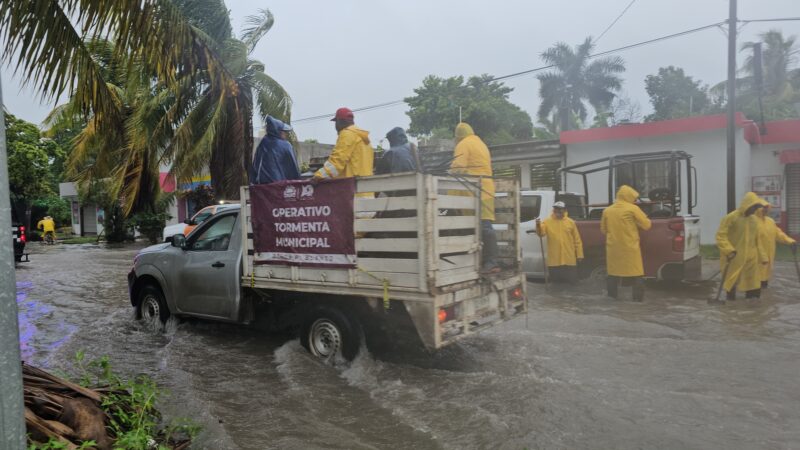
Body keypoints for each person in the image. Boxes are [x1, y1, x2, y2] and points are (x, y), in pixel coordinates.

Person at [450, 122, 498, 273]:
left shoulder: (463, 144)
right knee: (482, 226)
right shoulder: (480, 143)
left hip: (477, 191)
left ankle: (491, 262)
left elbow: (459, 167)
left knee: (484, 227)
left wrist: (448, 173)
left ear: (458, 136)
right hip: (486, 189)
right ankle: (484, 261)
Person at [601, 185, 652, 301]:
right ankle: (637, 301)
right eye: (633, 197)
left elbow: (603, 230)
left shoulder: (607, 210)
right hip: (630, 248)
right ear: (628, 196)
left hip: (613, 248)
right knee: (637, 274)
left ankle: (611, 299)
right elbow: (647, 225)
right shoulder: (633, 209)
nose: (634, 200)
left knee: (612, 274)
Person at [716, 192, 768, 300]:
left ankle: (752, 310)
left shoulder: (754, 220)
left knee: (753, 285)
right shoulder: (731, 218)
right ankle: (731, 307)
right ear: (747, 205)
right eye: (754, 207)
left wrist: (763, 257)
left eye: (756, 208)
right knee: (731, 283)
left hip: (751, 258)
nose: (755, 210)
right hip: (734, 257)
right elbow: (721, 236)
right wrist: (728, 250)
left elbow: (757, 241)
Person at [314, 107, 374, 181]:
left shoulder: (347, 134)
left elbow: (337, 162)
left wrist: (318, 176)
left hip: (351, 188)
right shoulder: (364, 139)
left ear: (339, 121)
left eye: (335, 122)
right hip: (366, 188)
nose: (335, 125)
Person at [535, 201, 584, 283]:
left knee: (572, 285)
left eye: (560, 209)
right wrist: (537, 225)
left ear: (564, 210)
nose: (557, 211)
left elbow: (577, 240)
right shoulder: (547, 222)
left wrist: (579, 255)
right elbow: (541, 233)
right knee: (555, 286)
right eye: (556, 209)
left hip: (569, 261)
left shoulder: (570, 222)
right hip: (554, 262)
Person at [755, 202, 796, 289]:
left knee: (764, 283)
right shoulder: (752, 222)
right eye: (763, 207)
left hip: (768, 259)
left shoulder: (770, 221)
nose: (765, 209)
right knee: (754, 286)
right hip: (756, 259)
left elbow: (779, 234)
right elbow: (753, 242)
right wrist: (762, 256)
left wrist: (790, 241)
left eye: (767, 207)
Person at [251, 116, 301, 184]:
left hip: (261, 188)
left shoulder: (262, 144)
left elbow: (255, 168)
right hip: (279, 188)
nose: (285, 134)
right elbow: (293, 169)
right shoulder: (286, 145)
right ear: (278, 132)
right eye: (284, 131)